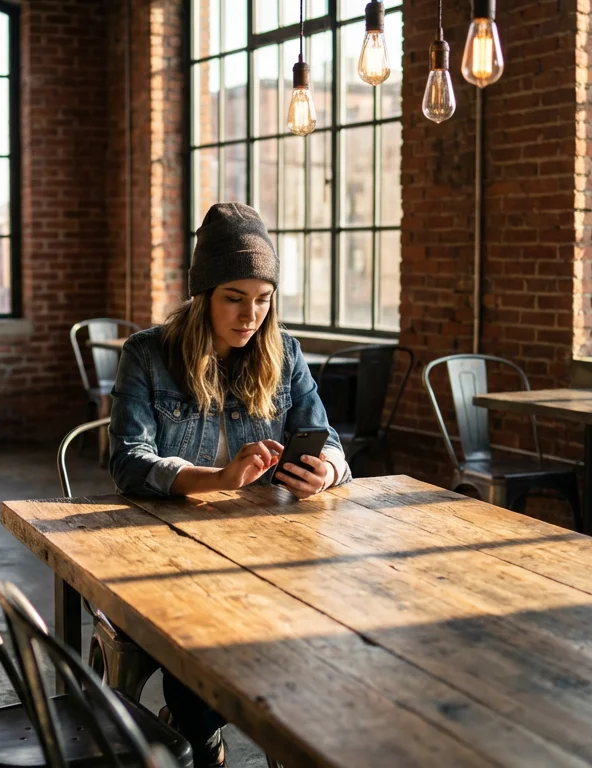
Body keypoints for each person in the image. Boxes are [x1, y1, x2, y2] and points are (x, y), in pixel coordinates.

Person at [107, 202, 351, 767]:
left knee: (308, 633)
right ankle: (204, 737)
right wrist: (216, 478)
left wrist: (326, 470)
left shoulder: (282, 352)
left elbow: (329, 438)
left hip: (266, 548)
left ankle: (238, 738)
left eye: (263, 299)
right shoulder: (148, 354)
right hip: (165, 549)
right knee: (201, 640)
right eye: (234, 298)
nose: (251, 316)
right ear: (203, 296)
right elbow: (127, 462)